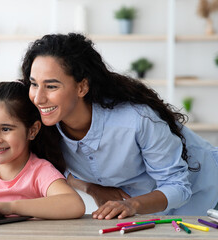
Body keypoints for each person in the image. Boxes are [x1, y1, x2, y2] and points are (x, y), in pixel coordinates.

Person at [20, 32, 218, 219]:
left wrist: (132, 205)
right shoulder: (44, 125)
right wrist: (92, 188)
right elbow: (55, 169)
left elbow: (177, 186)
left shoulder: (135, 120)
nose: (38, 98)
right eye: (34, 84)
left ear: (82, 87)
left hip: (207, 188)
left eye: (51, 86)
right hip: (151, 206)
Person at [0, 81, 85, 220]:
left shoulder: (39, 171)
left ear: (32, 130)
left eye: (6, 129)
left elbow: (75, 205)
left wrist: (11, 207)